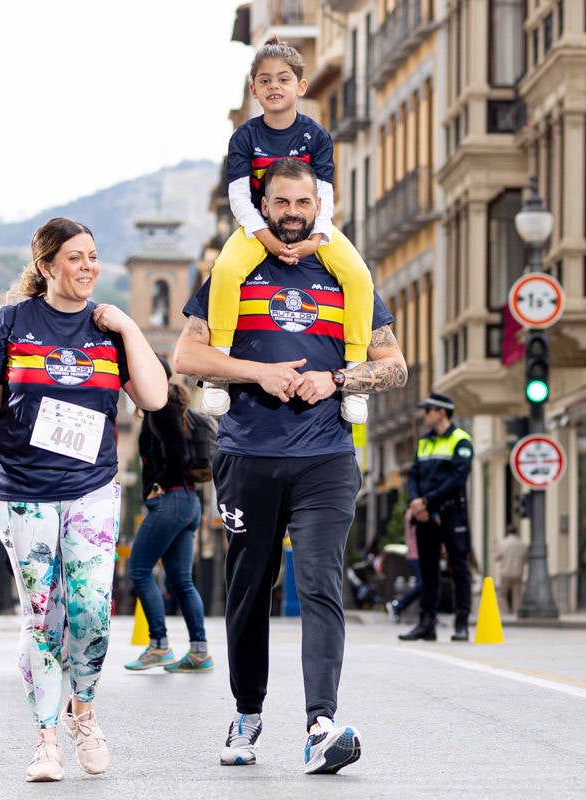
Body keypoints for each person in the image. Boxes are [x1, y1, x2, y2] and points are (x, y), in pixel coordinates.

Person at [173, 157, 407, 775]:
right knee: (250, 590)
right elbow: (186, 354)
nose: (294, 214)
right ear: (264, 205)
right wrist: (258, 372)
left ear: (319, 207)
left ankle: (320, 725)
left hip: (326, 457)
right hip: (248, 455)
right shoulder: (236, 271)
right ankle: (247, 714)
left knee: (322, 582)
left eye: (304, 204)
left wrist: (337, 379)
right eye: (282, 204)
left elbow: (396, 366)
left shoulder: (344, 275)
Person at [0, 217, 166, 782]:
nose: (88, 267)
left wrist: (127, 326)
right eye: (75, 258)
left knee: (93, 610)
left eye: (94, 256)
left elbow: (154, 394)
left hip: (92, 489)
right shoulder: (11, 322)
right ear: (46, 266)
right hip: (21, 492)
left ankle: (84, 709)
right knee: (43, 615)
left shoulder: (107, 328)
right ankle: (46, 737)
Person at [200, 35, 374, 425]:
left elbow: (324, 196)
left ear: (300, 87)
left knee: (359, 276)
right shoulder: (244, 137)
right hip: (258, 227)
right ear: (254, 90)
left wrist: (316, 240)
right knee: (226, 272)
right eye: (264, 80)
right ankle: (219, 371)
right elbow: (240, 198)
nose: (274, 86)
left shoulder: (317, 136)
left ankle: (356, 379)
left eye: (282, 79)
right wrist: (266, 237)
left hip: (311, 228)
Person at [124, 355, 214, 673]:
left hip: (172, 500)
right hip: (188, 502)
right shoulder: (172, 408)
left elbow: (178, 451)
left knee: (138, 570)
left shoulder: (160, 408)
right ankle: (199, 652)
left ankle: (159, 645)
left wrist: (160, 483)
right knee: (180, 580)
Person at [400, 392, 475, 643]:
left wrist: (426, 501)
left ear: (441, 412)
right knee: (427, 570)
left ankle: (461, 623)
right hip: (424, 515)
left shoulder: (461, 440)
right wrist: (414, 502)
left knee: (459, 568)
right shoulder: (424, 442)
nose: (424, 415)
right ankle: (426, 624)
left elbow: (457, 480)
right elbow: (413, 475)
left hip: (451, 513)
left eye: (428, 410)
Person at [385, 515, 421, 625]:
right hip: (416, 555)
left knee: (429, 584)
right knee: (424, 583)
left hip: (418, 554)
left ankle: (431, 615)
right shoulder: (414, 513)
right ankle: (398, 605)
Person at [496, 525, 528, 613]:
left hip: (505, 572)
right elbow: (526, 558)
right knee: (517, 595)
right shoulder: (521, 544)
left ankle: (506, 612)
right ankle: (516, 612)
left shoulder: (503, 543)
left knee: (502, 595)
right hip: (518, 572)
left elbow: (497, 556)